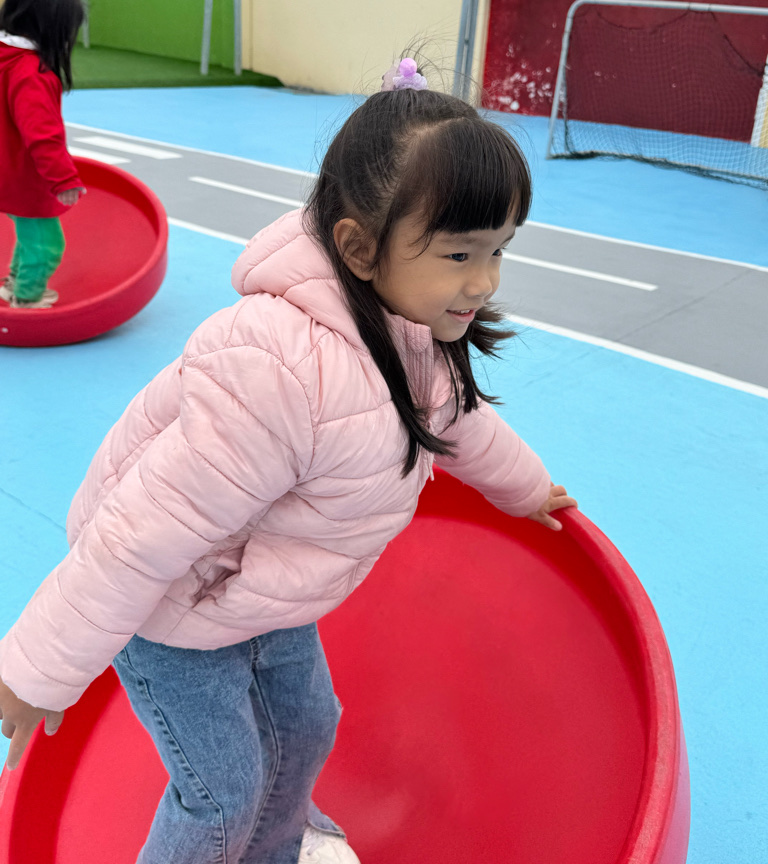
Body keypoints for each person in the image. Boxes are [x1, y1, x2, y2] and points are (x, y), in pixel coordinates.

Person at [0, 61, 576, 864]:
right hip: (176, 606)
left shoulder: (417, 334)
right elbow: (141, 535)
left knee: (308, 729)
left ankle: (274, 853)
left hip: (260, 593)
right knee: (222, 794)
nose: (483, 282)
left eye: (498, 251)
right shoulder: (275, 371)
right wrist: (38, 669)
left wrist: (526, 490)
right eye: (458, 255)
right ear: (359, 247)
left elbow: (459, 423)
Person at [0, 0, 85, 309]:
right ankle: (27, 297)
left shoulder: (5, 58)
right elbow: (42, 133)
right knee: (47, 245)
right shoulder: (30, 73)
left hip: (6, 172)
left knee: (28, 234)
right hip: (25, 178)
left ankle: (13, 283)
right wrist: (63, 179)